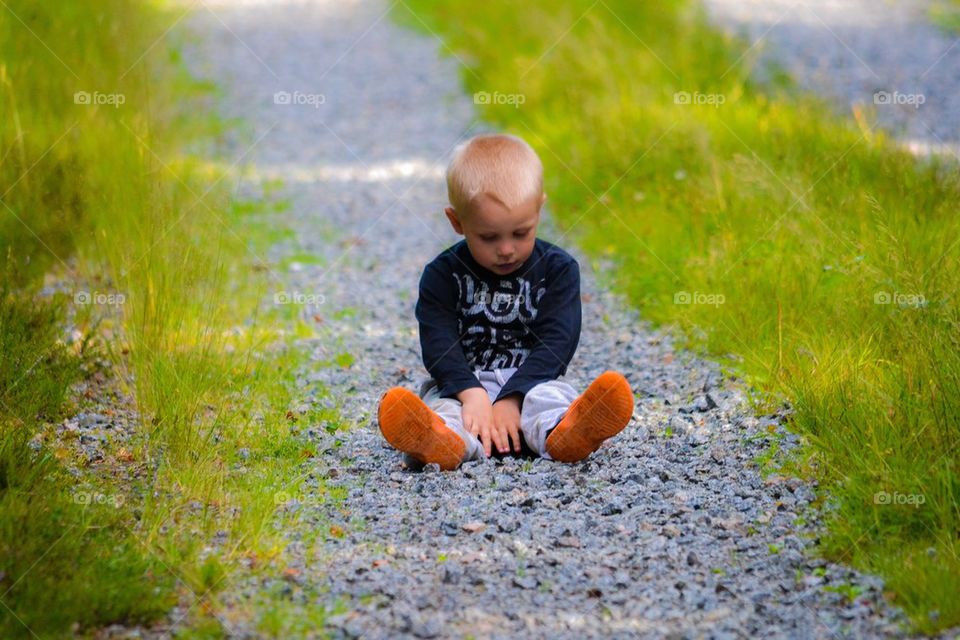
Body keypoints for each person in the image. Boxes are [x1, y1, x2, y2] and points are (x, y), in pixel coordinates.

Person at [377, 133, 633, 471]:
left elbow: (557, 342)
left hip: (532, 381)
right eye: (489, 237)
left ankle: (569, 434)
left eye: (521, 233)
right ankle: (440, 443)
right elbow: (439, 342)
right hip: (465, 384)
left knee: (549, 401)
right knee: (446, 410)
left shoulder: (558, 270)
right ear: (457, 222)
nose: (507, 249)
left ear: (539, 209)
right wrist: (471, 393)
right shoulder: (442, 275)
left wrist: (513, 397)